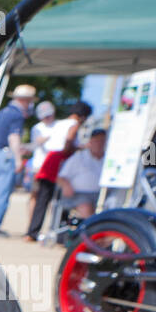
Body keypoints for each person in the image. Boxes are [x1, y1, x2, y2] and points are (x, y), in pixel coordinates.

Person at [25, 100, 92, 241]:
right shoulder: (74, 125)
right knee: (62, 200)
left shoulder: (59, 123)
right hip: (59, 162)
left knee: (42, 199)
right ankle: (60, 233)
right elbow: (68, 142)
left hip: (49, 161)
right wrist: (79, 148)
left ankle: (32, 232)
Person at [0, 84, 36, 236]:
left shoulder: (2, 112)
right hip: (7, 155)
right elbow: (14, 137)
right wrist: (18, 159)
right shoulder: (16, 115)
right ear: (26, 100)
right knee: (2, 193)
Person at [57, 127, 107, 220]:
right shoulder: (79, 157)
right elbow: (61, 177)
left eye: (102, 141)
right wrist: (66, 185)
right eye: (97, 140)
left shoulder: (108, 159)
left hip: (103, 195)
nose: (99, 144)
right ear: (91, 142)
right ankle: (90, 231)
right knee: (86, 207)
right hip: (78, 195)